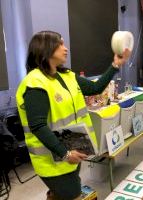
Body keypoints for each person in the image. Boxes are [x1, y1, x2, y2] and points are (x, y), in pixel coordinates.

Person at [15, 31, 130, 200]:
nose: (66, 48)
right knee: (73, 194)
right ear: (46, 49)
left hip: (72, 149)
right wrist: (65, 154)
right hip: (53, 160)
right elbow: (38, 126)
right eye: (60, 44)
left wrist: (115, 65)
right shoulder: (35, 83)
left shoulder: (67, 76)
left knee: (60, 195)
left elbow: (95, 88)